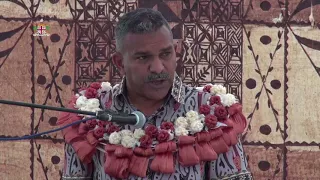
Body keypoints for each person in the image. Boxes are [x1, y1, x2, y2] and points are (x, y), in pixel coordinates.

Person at [57, 8, 252, 180]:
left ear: (176, 51)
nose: (158, 68)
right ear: (119, 63)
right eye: (143, 57)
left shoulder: (212, 111)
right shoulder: (90, 114)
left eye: (166, 54)